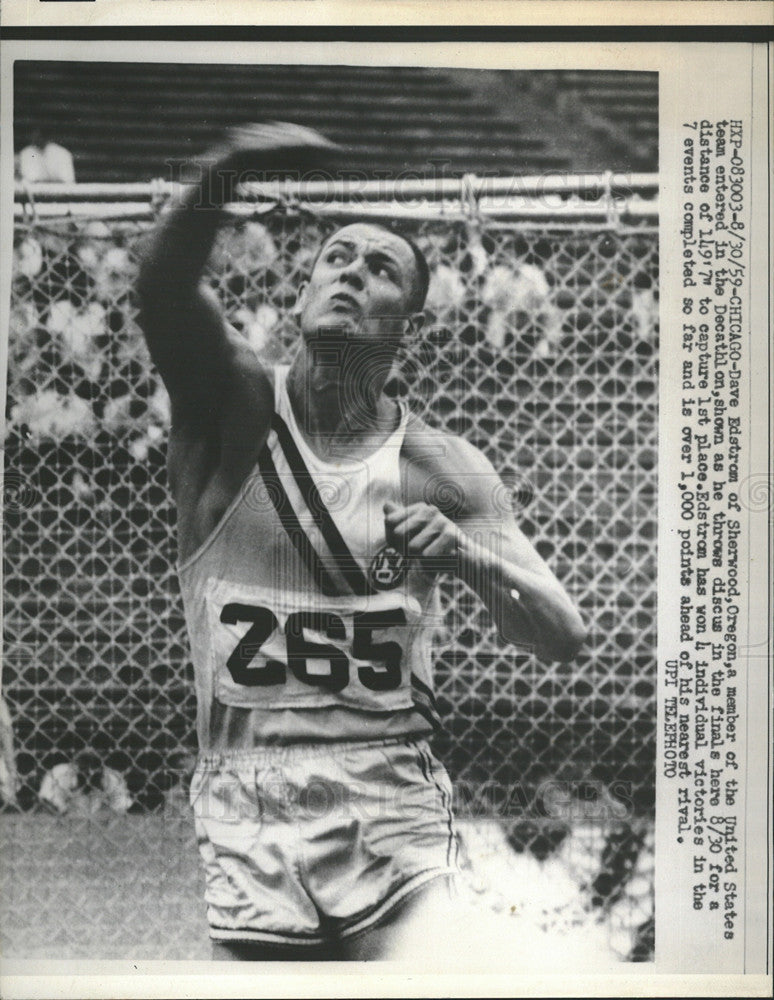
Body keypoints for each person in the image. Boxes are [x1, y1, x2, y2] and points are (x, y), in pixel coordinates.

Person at [136, 122, 586, 962]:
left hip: (390, 791)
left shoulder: (442, 466)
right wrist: (231, 169)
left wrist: (465, 555)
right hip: (250, 795)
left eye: (382, 270)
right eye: (336, 259)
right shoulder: (229, 406)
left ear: (404, 325)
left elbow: (565, 633)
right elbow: (161, 288)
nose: (353, 273)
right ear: (302, 298)